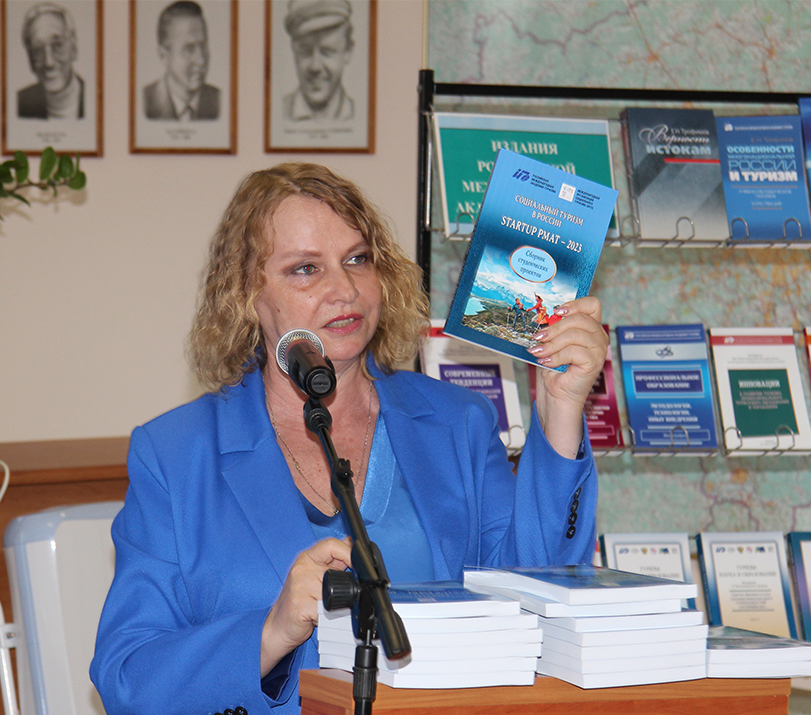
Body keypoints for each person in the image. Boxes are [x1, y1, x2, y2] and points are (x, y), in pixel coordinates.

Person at [90, 163, 608, 715]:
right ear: (246, 294)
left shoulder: (458, 422)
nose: (344, 289)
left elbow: (538, 595)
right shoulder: (175, 454)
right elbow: (127, 677)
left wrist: (560, 407)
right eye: (305, 269)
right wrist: (270, 633)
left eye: (358, 259)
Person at [143, 0, 220, 121]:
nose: (201, 60)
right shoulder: (144, 102)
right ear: (163, 55)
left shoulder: (220, 101)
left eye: (203, 46)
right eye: (189, 49)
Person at [282, 0, 355, 122]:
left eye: (327, 52)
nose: (315, 66)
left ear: (348, 51)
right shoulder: (277, 114)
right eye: (305, 51)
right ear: (293, 50)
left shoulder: (361, 116)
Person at [17, 3, 84, 119]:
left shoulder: (95, 96)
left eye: (57, 45)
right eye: (37, 49)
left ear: (73, 48)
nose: (49, 62)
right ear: (30, 58)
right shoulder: (20, 103)